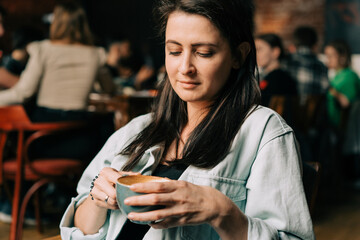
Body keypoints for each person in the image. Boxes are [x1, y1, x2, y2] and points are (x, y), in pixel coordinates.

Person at [60, 0, 314, 239]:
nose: (184, 67)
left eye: (203, 53)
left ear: (238, 55)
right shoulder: (138, 129)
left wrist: (220, 211)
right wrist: (98, 199)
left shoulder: (263, 132)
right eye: (174, 51)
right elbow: (78, 229)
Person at [324, 40, 360, 184]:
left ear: (342, 56)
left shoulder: (349, 76)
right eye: (326, 55)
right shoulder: (338, 75)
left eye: (331, 55)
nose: (328, 60)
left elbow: (346, 103)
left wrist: (330, 89)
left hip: (338, 127)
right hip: (331, 124)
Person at [283, 25, 329, 98]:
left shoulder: (286, 62)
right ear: (315, 45)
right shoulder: (321, 66)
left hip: (289, 108)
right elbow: (325, 91)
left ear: (294, 43)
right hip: (313, 108)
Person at [255, 33, 297, 106]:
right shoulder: (279, 76)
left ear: (275, 52)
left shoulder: (278, 80)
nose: (255, 54)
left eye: (259, 49)